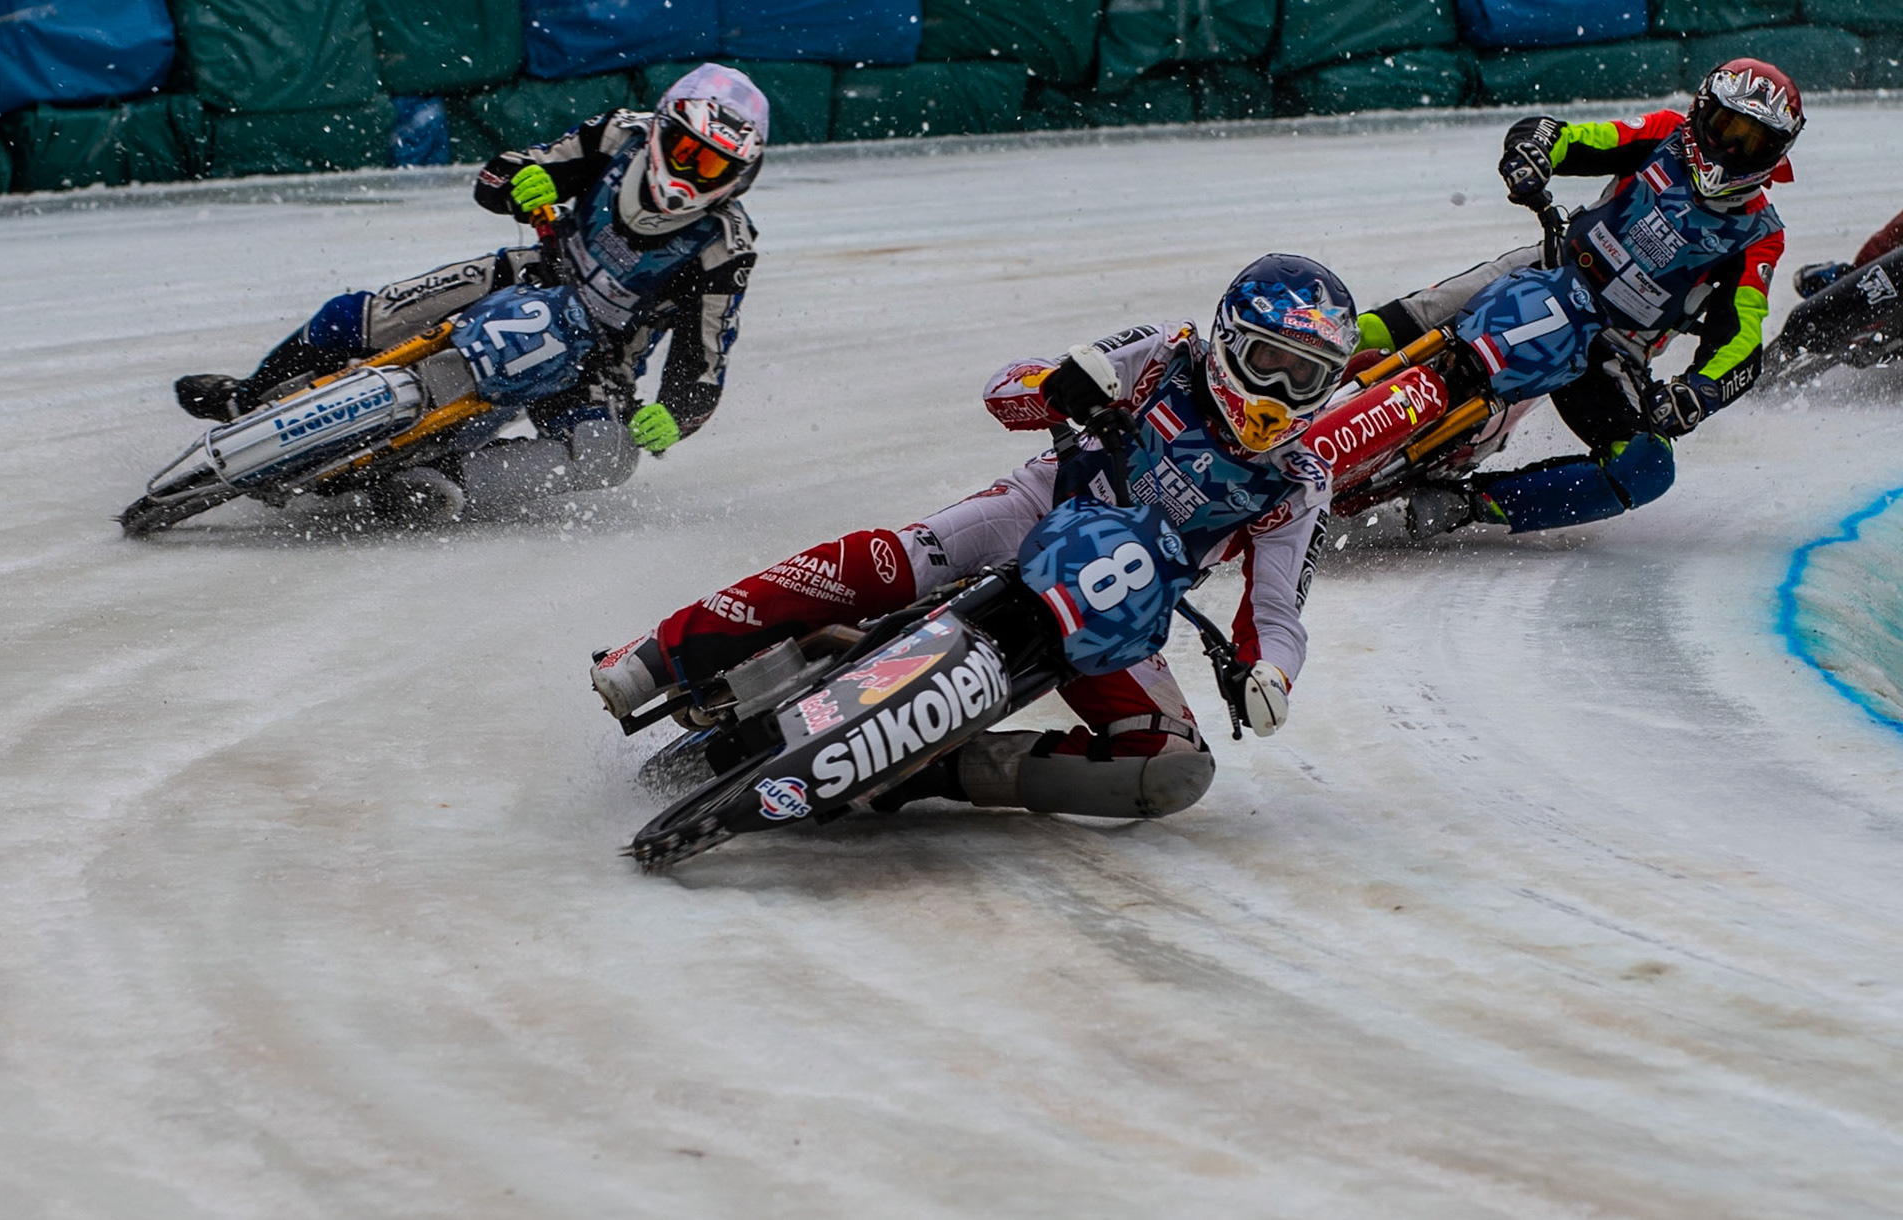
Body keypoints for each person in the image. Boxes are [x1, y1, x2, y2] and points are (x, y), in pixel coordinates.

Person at [591, 256, 1358, 819]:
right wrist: (1062, 385)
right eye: (1270, 362)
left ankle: (930, 772)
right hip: (1029, 517)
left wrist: (1268, 678)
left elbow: (1280, 613)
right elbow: (1005, 388)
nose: (1282, 392)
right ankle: (659, 653)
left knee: (1172, 768)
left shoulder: (1298, 481)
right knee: (892, 560)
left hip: (1118, 612)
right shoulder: (1165, 352)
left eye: (1307, 376)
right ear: (1229, 341)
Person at [173, 63, 767, 512]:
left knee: (608, 458)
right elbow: (499, 172)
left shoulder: (725, 246)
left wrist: (675, 415)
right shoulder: (618, 136)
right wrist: (520, 183)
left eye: (711, 166)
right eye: (685, 150)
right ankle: (247, 397)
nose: (689, 173)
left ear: (738, 178)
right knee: (358, 315)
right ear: (661, 129)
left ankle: (449, 483)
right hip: (530, 272)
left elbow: (704, 359)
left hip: (602, 357)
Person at [1355, 59, 1803, 537]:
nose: (1732, 149)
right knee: (1390, 322)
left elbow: (1741, 338)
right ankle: (1304, 360)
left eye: (1753, 141)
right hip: (1548, 267)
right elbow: (1570, 136)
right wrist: (1533, 150)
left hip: (1610, 348)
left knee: (1646, 467)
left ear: (1776, 153)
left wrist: (1699, 392)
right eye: (1726, 127)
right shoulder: (1662, 133)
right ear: (1700, 111)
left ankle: (1466, 506)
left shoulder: (1760, 234)